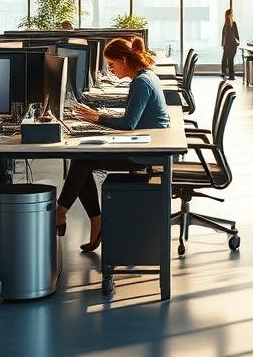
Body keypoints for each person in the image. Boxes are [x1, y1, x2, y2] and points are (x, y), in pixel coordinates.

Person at [57, 37, 169, 252]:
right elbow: (131, 114)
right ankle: (83, 218)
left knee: (82, 159)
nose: (111, 69)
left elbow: (128, 124)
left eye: (111, 64)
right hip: (145, 143)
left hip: (146, 152)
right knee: (82, 158)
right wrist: (99, 115)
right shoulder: (143, 77)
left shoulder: (141, 82)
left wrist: (98, 119)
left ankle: (63, 213)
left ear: (124, 61)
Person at [220, 8, 239, 80]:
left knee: (229, 60)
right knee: (227, 60)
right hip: (229, 46)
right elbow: (224, 35)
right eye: (231, 13)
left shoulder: (232, 24)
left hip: (231, 45)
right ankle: (230, 75)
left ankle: (230, 75)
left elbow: (236, 35)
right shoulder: (227, 25)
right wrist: (223, 44)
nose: (233, 15)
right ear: (229, 15)